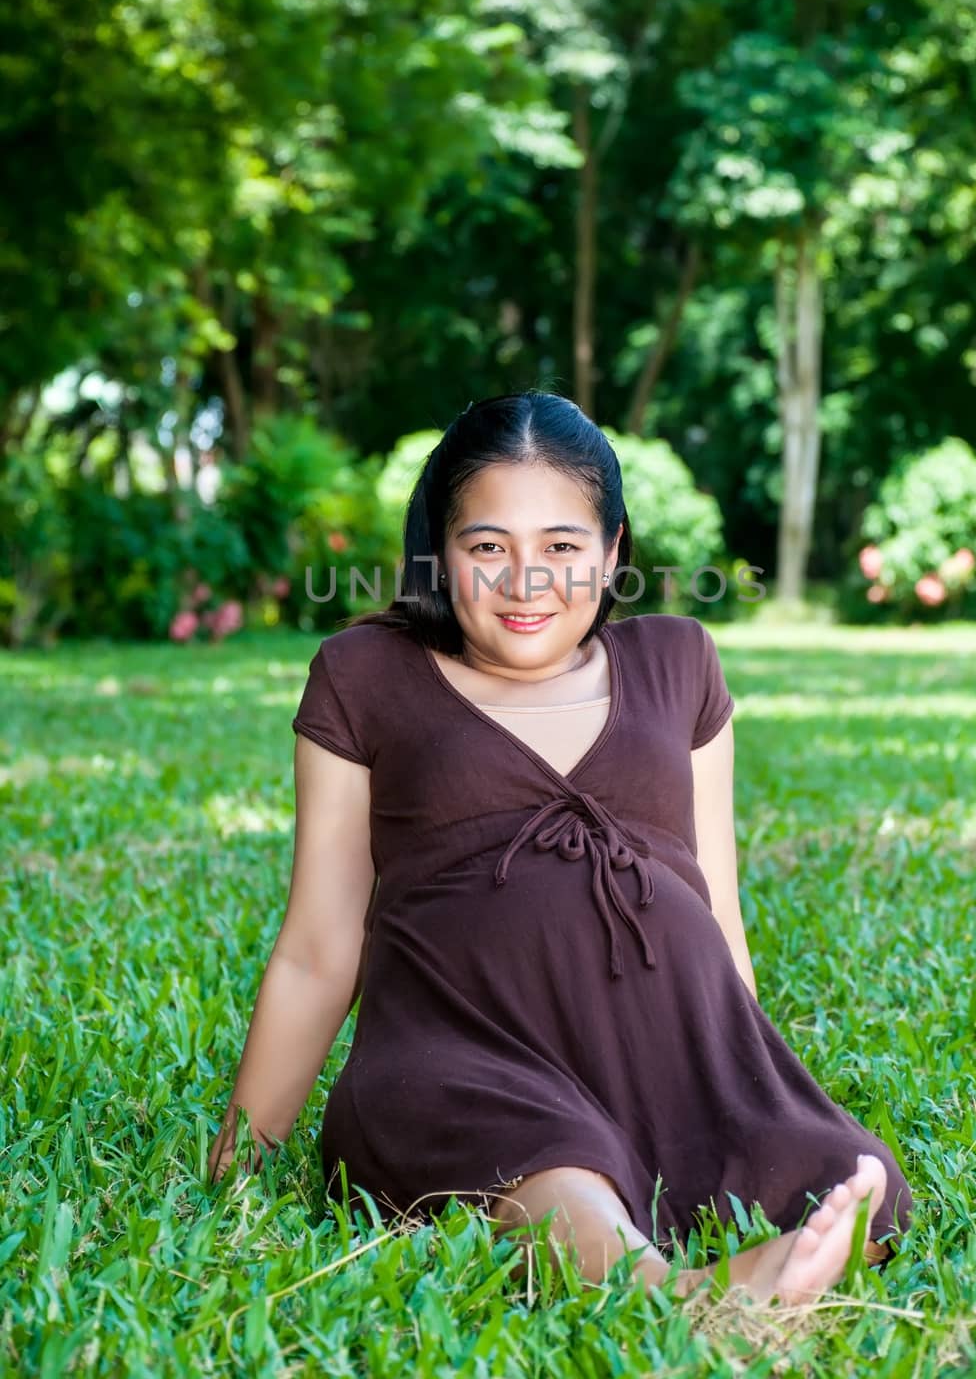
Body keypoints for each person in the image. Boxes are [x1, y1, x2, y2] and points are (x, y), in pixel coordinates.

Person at [209, 390, 914, 1307]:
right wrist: (237, 1160)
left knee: (856, 1179)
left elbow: (716, 909)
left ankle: (758, 1269)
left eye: (562, 548)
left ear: (612, 550)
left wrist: (742, 1078)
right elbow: (317, 948)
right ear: (438, 552)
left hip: (669, 1053)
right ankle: (686, 1304)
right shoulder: (365, 676)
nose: (525, 582)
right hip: (465, 1057)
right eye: (487, 547)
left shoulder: (678, 662)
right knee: (552, 1180)